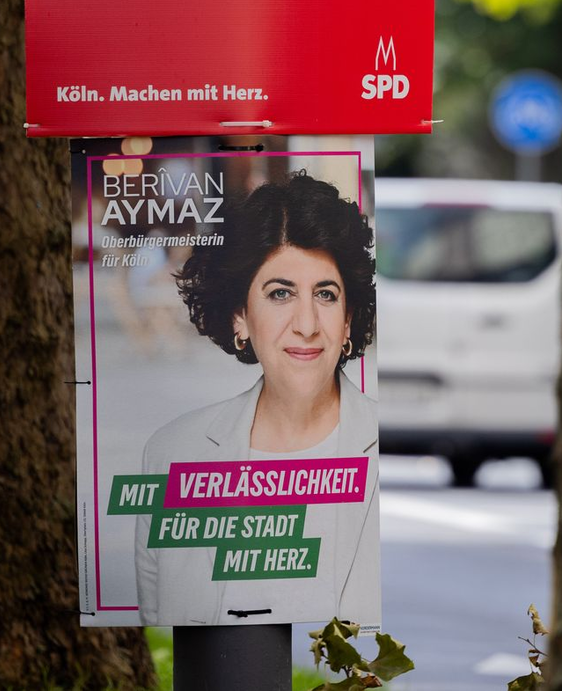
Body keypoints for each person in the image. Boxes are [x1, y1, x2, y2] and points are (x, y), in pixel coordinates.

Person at [135, 171, 380, 627]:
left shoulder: (389, 448)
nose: (307, 323)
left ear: (348, 321)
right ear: (239, 317)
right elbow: (162, 629)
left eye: (325, 294)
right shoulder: (172, 455)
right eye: (280, 293)